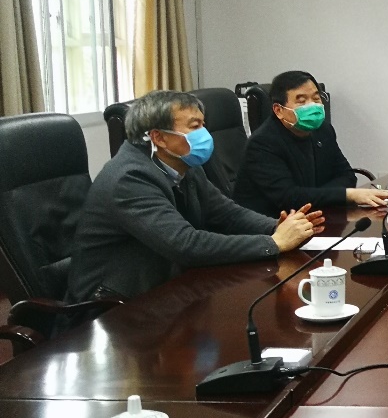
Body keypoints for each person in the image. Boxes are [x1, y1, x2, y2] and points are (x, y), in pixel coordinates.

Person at [67, 90, 324, 301]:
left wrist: (278, 227)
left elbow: (226, 213)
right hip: (112, 305)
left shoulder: (183, 164)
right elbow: (185, 244)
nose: (205, 134)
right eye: (195, 126)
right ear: (159, 137)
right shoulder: (130, 178)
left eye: (203, 124)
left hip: (164, 287)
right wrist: (274, 243)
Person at [233, 71, 388, 216]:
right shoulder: (262, 143)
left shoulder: (323, 130)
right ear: (278, 110)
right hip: (270, 228)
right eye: (301, 101)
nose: (312, 106)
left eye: (316, 98)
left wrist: (313, 195)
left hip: (316, 216)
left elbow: (347, 176)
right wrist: (346, 194)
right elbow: (289, 198)